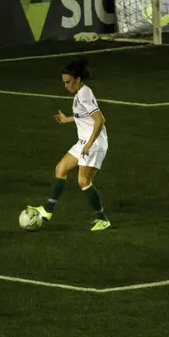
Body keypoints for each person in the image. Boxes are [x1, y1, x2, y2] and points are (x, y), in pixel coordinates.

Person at [28, 58, 111, 231]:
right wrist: (68, 119)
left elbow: (100, 120)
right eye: (64, 82)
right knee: (60, 169)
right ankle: (47, 210)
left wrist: (89, 144)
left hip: (93, 144)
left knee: (83, 181)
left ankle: (102, 219)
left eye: (68, 82)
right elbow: (86, 116)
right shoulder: (81, 93)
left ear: (78, 79)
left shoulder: (84, 94)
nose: (66, 85)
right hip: (84, 142)